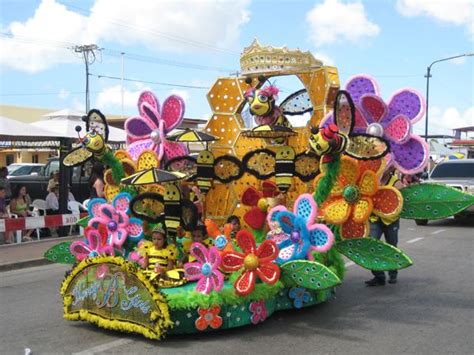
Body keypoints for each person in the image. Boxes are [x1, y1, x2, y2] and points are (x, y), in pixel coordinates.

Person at [365, 167, 404, 286]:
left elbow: (402, 201)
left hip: (391, 221)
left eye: (387, 166)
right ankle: (379, 276)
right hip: (374, 219)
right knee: (371, 247)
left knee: (392, 247)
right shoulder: (372, 180)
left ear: (391, 168)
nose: (384, 169)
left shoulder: (396, 183)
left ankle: (393, 273)